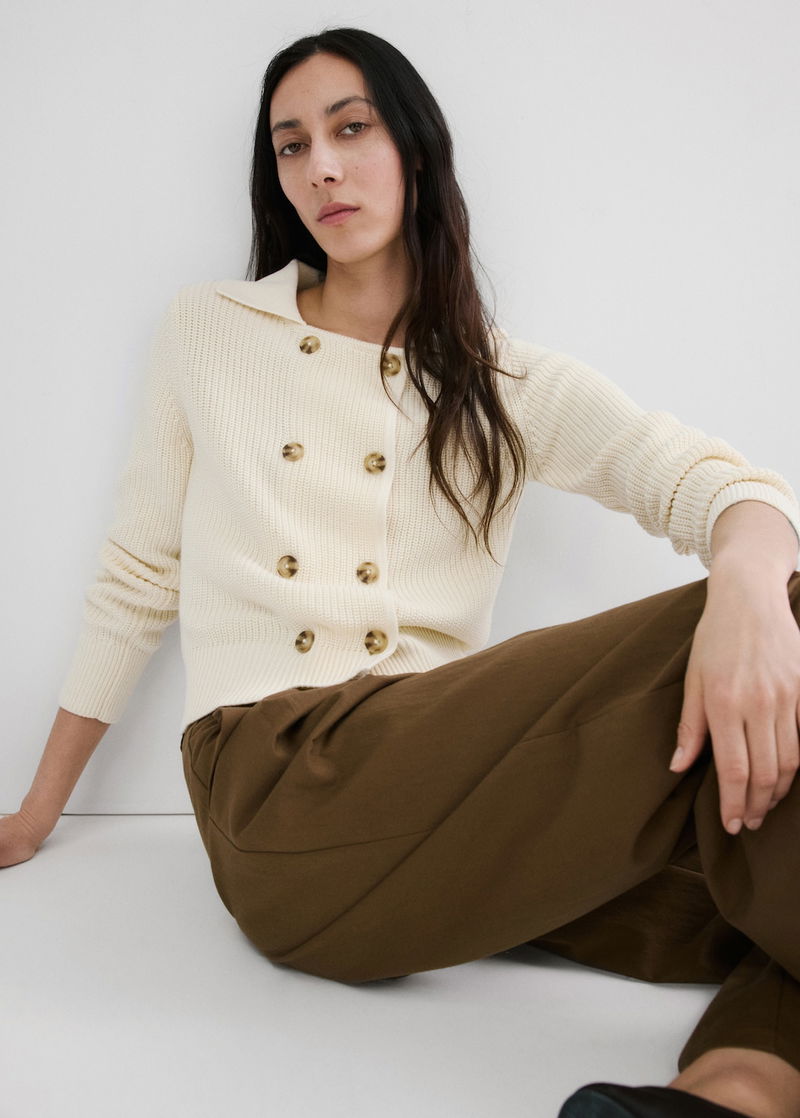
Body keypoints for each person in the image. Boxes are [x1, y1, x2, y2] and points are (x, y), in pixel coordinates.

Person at [3, 26, 799, 1118]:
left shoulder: (498, 379)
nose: (320, 167)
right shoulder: (210, 330)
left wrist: (747, 589)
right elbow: (140, 572)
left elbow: (718, 485)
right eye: (292, 145)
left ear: (415, 150)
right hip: (278, 790)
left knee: (758, 883)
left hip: (441, 820)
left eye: (351, 129)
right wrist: (36, 810)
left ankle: (727, 1094)